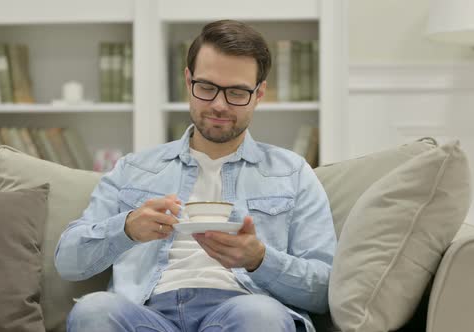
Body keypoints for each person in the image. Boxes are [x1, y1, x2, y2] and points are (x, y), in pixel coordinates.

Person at [55, 19, 336, 332]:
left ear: (259, 94)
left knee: (260, 315)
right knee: (94, 310)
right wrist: (126, 229)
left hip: (242, 309)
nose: (218, 105)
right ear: (188, 81)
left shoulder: (292, 172)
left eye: (237, 92)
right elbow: (68, 261)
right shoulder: (134, 168)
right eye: (207, 88)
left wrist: (260, 259)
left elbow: (326, 289)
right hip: (145, 314)